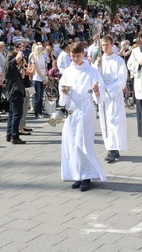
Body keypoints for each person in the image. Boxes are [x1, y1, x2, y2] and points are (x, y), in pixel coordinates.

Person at [58, 42, 106, 192]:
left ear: (83, 54)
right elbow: (62, 88)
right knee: (72, 142)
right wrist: (64, 92)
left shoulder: (91, 71)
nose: (75, 59)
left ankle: (87, 176)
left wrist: (97, 90)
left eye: (77, 56)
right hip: (72, 109)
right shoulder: (68, 71)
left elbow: (99, 90)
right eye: (72, 56)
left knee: (83, 142)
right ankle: (77, 174)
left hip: (85, 109)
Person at [94, 35, 129, 163]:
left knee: (114, 121)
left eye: (106, 44)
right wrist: (97, 66)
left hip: (113, 96)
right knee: (105, 122)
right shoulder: (99, 61)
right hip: (103, 97)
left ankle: (114, 149)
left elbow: (122, 79)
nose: (104, 47)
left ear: (112, 45)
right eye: (102, 45)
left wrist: (109, 88)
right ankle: (110, 146)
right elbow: (94, 77)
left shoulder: (118, 61)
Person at [3, 50, 28, 145]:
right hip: (15, 92)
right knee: (17, 114)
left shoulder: (13, 67)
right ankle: (15, 136)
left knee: (12, 114)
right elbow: (18, 57)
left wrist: (22, 65)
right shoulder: (9, 64)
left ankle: (9, 135)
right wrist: (20, 51)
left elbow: (22, 76)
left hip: (15, 92)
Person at [29, 43, 48, 118]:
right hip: (37, 78)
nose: (43, 50)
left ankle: (40, 111)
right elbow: (37, 69)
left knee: (41, 96)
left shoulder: (42, 57)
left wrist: (45, 76)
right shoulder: (35, 58)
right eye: (42, 49)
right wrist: (43, 77)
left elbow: (45, 67)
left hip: (42, 77)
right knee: (37, 96)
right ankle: (37, 113)